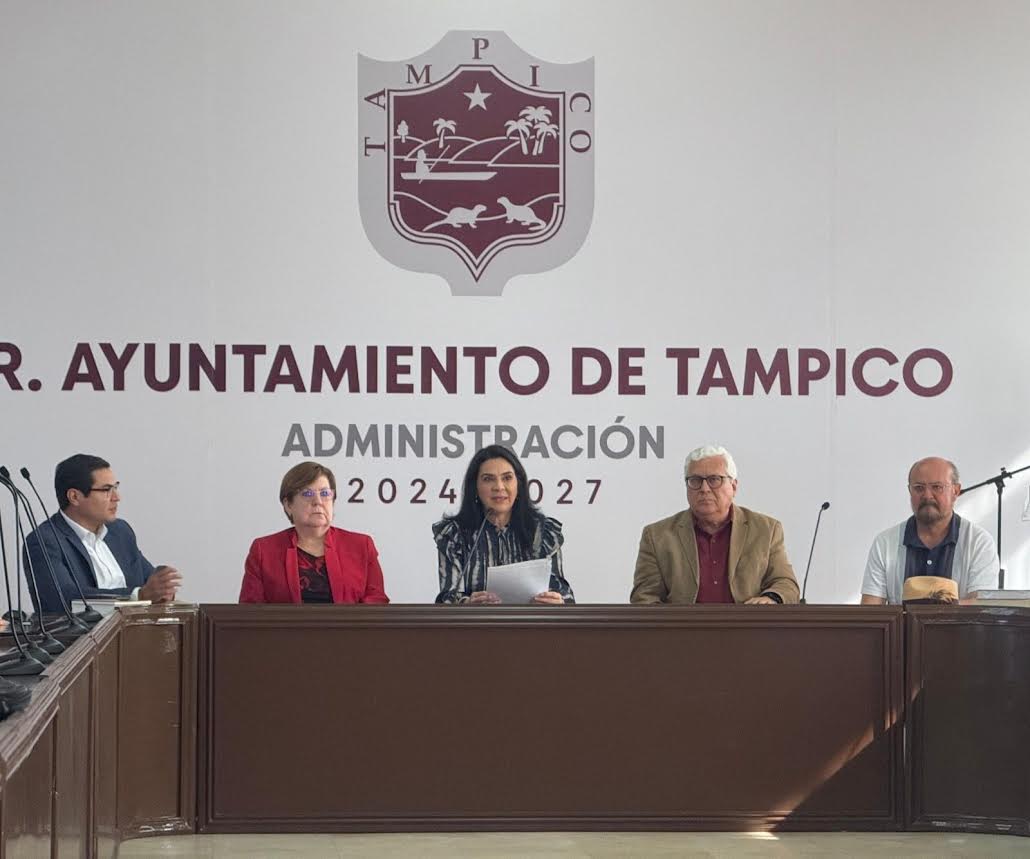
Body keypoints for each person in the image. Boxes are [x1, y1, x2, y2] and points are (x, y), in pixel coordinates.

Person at [631, 445, 799, 604]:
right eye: (695, 480)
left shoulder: (766, 530)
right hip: (683, 625)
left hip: (747, 624)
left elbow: (785, 584)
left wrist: (770, 598)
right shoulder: (657, 536)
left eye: (714, 479)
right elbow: (644, 597)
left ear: (733, 486)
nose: (704, 489)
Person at [24, 454, 182, 612]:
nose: (116, 497)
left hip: (136, 625)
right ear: (75, 497)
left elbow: (149, 581)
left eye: (115, 488)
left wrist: (163, 590)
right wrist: (138, 596)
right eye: (106, 490)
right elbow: (64, 599)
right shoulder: (44, 541)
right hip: (85, 629)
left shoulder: (120, 531)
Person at [433, 445, 574, 604]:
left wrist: (556, 601)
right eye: (488, 479)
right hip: (476, 621)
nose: (499, 487)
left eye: (507, 478)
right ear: (475, 487)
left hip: (532, 621)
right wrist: (467, 604)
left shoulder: (542, 533)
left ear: (519, 484)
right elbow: (446, 600)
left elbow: (566, 596)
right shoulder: (455, 535)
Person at [240, 461, 389, 604]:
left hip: (347, 624)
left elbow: (376, 603)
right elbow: (250, 612)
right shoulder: (264, 550)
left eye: (325, 493)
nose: (318, 501)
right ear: (288, 505)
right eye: (307, 493)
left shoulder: (361, 546)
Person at [860, 457, 998, 605]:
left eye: (937, 487)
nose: (927, 495)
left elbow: (981, 607)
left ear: (956, 491)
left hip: (958, 623)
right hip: (903, 623)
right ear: (910, 491)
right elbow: (871, 609)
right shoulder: (885, 543)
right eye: (919, 488)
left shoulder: (978, 542)